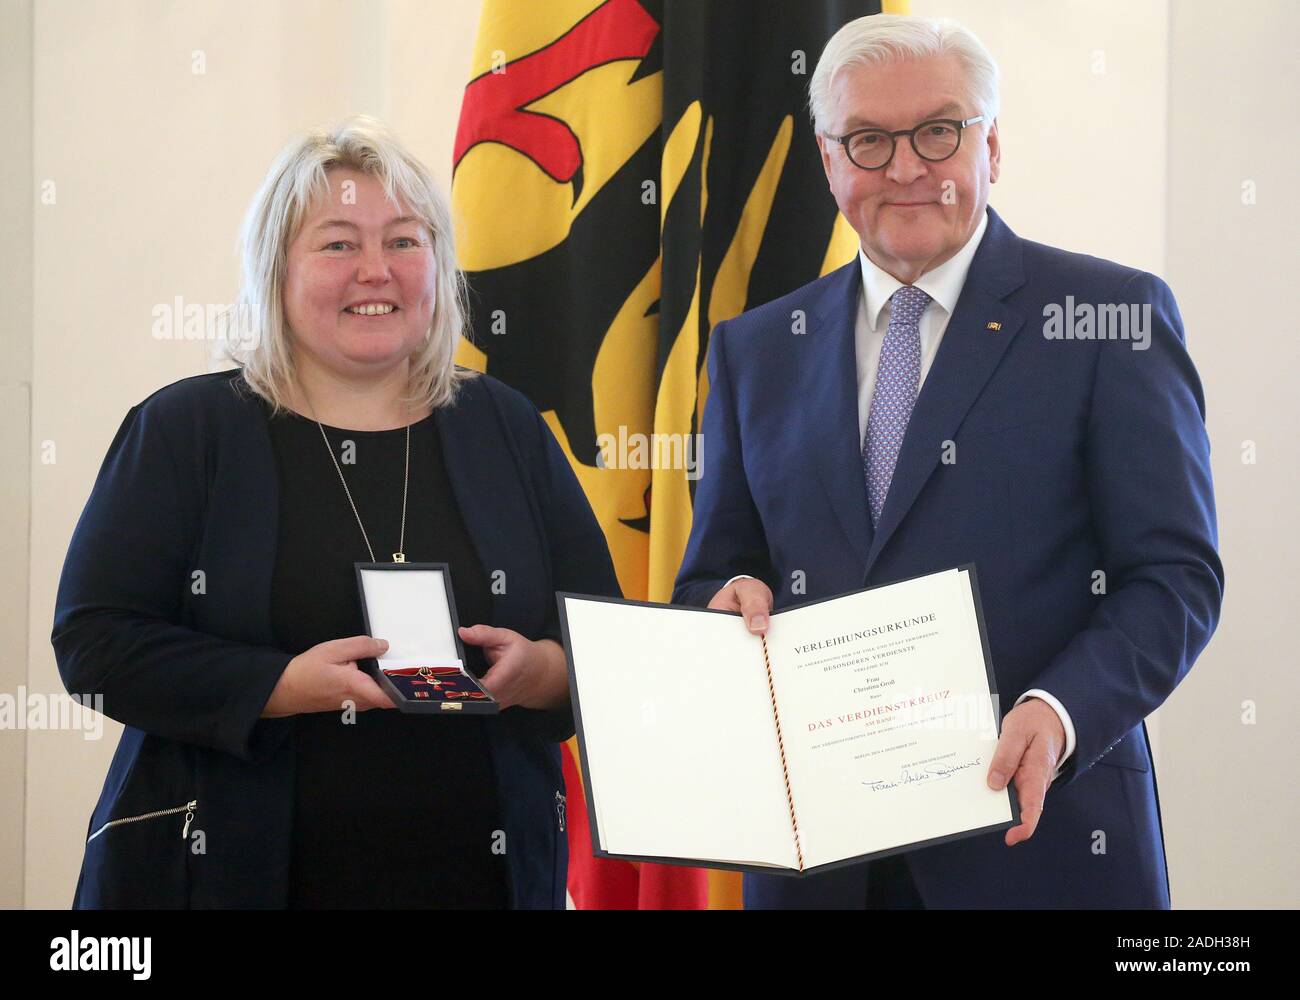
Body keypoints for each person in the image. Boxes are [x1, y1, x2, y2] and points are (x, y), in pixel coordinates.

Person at [673, 14, 1222, 909]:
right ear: (827, 159)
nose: (904, 167)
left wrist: (1059, 714)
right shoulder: (754, 351)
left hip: (1039, 845)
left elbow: (1175, 577)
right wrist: (724, 605)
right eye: (868, 140)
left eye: (938, 130)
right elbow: (712, 580)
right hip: (817, 867)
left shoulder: (1109, 317)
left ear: (991, 146)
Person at [52, 115, 618, 908]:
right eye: (338, 243)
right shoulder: (188, 430)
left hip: (482, 877)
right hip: (228, 877)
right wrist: (281, 684)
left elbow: (608, 640)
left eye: (403, 241)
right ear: (275, 270)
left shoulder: (506, 426)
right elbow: (95, 646)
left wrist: (543, 673)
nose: (375, 271)